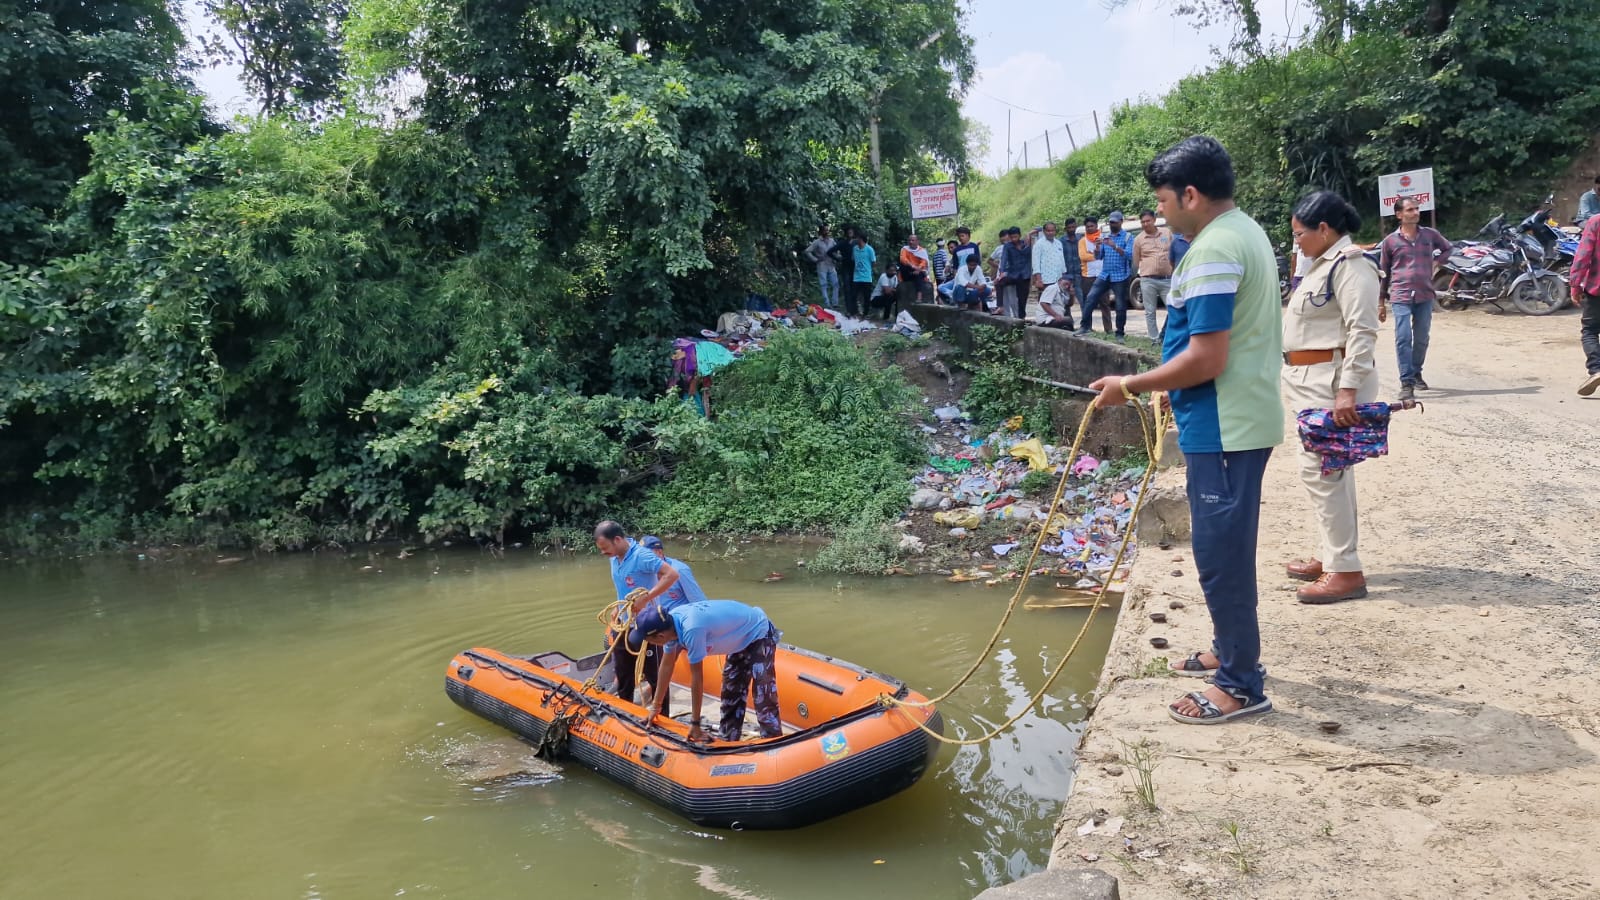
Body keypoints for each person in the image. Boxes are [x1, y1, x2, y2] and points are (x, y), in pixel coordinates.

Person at [1087, 136, 1283, 725]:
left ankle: (1240, 684)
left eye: (1163, 200)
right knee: (1224, 544)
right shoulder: (1243, 231)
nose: (1160, 211)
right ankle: (1230, 650)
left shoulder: (1213, 249)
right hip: (1235, 417)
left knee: (1220, 552)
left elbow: (1207, 358)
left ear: (1190, 195)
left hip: (1224, 424)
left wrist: (1134, 385)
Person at [1281, 191, 1382, 604]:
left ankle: (1345, 570)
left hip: (1331, 382)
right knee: (1330, 474)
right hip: (1312, 380)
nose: (1296, 243)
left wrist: (1348, 390)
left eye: (1300, 234)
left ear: (1324, 229)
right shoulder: (1321, 265)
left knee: (1324, 473)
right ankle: (1334, 554)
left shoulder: (1351, 265)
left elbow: (1363, 330)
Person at [634, 599, 782, 743]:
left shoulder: (691, 629)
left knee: (763, 694)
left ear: (660, 636)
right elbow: (666, 666)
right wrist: (655, 706)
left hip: (758, 631)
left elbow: (697, 679)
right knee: (731, 690)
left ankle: (773, 741)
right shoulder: (670, 624)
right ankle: (728, 739)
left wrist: (695, 724)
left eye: (649, 641)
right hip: (738, 639)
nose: (649, 644)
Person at [594, 520, 682, 707]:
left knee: (655, 676)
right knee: (623, 673)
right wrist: (619, 606)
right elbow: (623, 585)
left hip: (647, 623)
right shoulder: (614, 557)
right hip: (624, 622)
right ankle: (625, 712)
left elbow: (672, 575)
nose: (603, 553)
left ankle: (661, 717)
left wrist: (646, 598)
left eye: (605, 548)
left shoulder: (642, 556)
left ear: (617, 539)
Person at [1378, 195, 1453, 400]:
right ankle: (1406, 383)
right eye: (1410, 210)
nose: (1416, 213)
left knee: (1421, 339)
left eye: (1417, 209)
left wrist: (1437, 262)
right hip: (1400, 295)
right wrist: (1380, 303)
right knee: (1403, 338)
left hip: (1425, 294)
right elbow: (1383, 272)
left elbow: (1448, 248)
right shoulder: (1390, 241)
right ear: (1399, 215)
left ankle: (1416, 371)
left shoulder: (1430, 235)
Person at [1082, 210, 1136, 338]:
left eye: (1115, 222)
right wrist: (1097, 248)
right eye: (1111, 222)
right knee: (1090, 298)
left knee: (1120, 305)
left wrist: (1115, 246)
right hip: (1105, 274)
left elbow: (1129, 256)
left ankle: (1120, 333)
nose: (1112, 224)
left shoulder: (1128, 237)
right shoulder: (1105, 236)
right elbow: (1099, 257)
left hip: (1120, 276)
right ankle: (1084, 327)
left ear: (1121, 222)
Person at [1569, 211, 1600, 396]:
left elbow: (1583, 255)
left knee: (1589, 331)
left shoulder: (1596, 221)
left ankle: (1596, 370)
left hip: (1596, 288)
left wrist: (1575, 285)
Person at [1133, 210, 1174, 340]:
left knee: (1173, 308)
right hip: (1148, 280)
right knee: (1150, 311)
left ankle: (1169, 336)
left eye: (1148, 221)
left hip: (1167, 279)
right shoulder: (1139, 239)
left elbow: (1174, 252)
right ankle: (1154, 338)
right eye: (1143, 222)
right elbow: (1136, 260)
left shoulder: (1167, 233)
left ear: (1154, 220)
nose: (1145, 224)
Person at [1077, 218, 1112, 333]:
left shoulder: (1104, 239)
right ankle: (1087, 328)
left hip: (1103, 275)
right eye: (1087, 226)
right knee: (1089, 303)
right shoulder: (1082, 241)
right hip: (1088, 276)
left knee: (1105, 304)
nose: (1090, 228)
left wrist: (1094, 253)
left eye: (1092, 226)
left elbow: (1108, 254)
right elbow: (1083, 256)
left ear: (1096, 226)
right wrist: (1097, 255)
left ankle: (1108, 330)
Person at [1030, 221, 1068, 317]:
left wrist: (1063, 276)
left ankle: (1058, 320)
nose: (1050, 233)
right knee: (1045, 302)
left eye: (1052, 230)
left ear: (1055, 231)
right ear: (1044, 231)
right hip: (1046, 280)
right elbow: (1035, 263)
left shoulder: (1059, 243)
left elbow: (1062, 260)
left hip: (1058, 279)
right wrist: (1039, 279)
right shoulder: (1039, 244)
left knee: (1058, 302)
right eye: (1048, 231)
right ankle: (1044, 321)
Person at [999, 227, 1032, 317]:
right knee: (1000, 283)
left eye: (1016, 237)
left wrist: (1030, 233)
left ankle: (1021, 317)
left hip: (1025, 274)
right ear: (1009, 237)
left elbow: (1041, 228)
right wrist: (1001, 272)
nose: (1014, 239)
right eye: (1012, 237)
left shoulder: (1026, 243)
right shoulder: (1008, 246)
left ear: (1020, 236)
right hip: (1013, 274)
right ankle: (1000, 307)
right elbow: (1004, 259)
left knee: (1022, 298)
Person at [804, 225, 839, 308]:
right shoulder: (817, 242)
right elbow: (807, 251)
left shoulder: (832, 241)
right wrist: (815, 259)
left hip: (831, 265)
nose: (826, 232)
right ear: (820, 232)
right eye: (824, 230)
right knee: (823, 284)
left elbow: (836, 250)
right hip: (821, 265)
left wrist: (837, 258)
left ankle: (835, 303)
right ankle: (826, 303)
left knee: (836, 284)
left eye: (827, 230)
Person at [848, 231, 876, 318]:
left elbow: (873, 262)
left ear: (861, 239)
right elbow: (853, 259)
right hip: (856, 277)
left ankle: (865, 313)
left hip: (866, 277)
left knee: (866, 297)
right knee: (853, 296)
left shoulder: (869, 249)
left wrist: (867, 269)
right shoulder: (855, 249)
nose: (856, 239)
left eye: (858, 238)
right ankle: (853, 312)